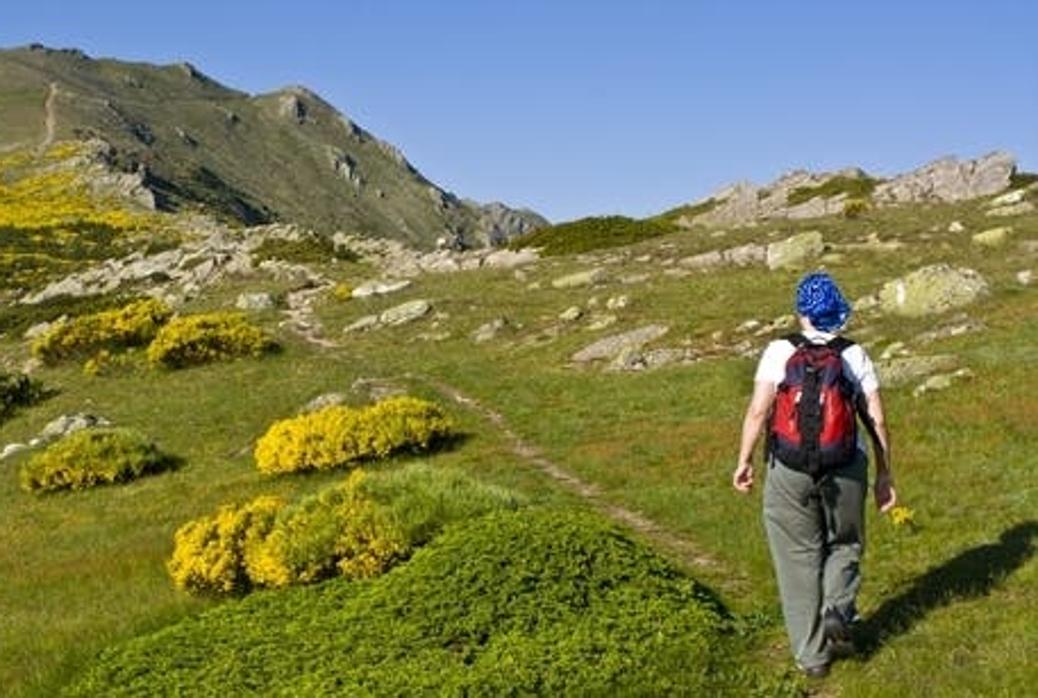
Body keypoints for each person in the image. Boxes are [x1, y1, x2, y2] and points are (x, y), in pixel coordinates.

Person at [733, 271, 896, 678]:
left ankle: (813, 659)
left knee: (796, 559)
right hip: (846, 465)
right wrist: (885, 473)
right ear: (837, 311)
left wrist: (745, 460)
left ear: (800, 311)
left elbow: (758, 410)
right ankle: (838, 607)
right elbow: (875, 417)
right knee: (845, 542)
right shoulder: (853, 355)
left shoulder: (777, 351)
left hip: (787, 467)